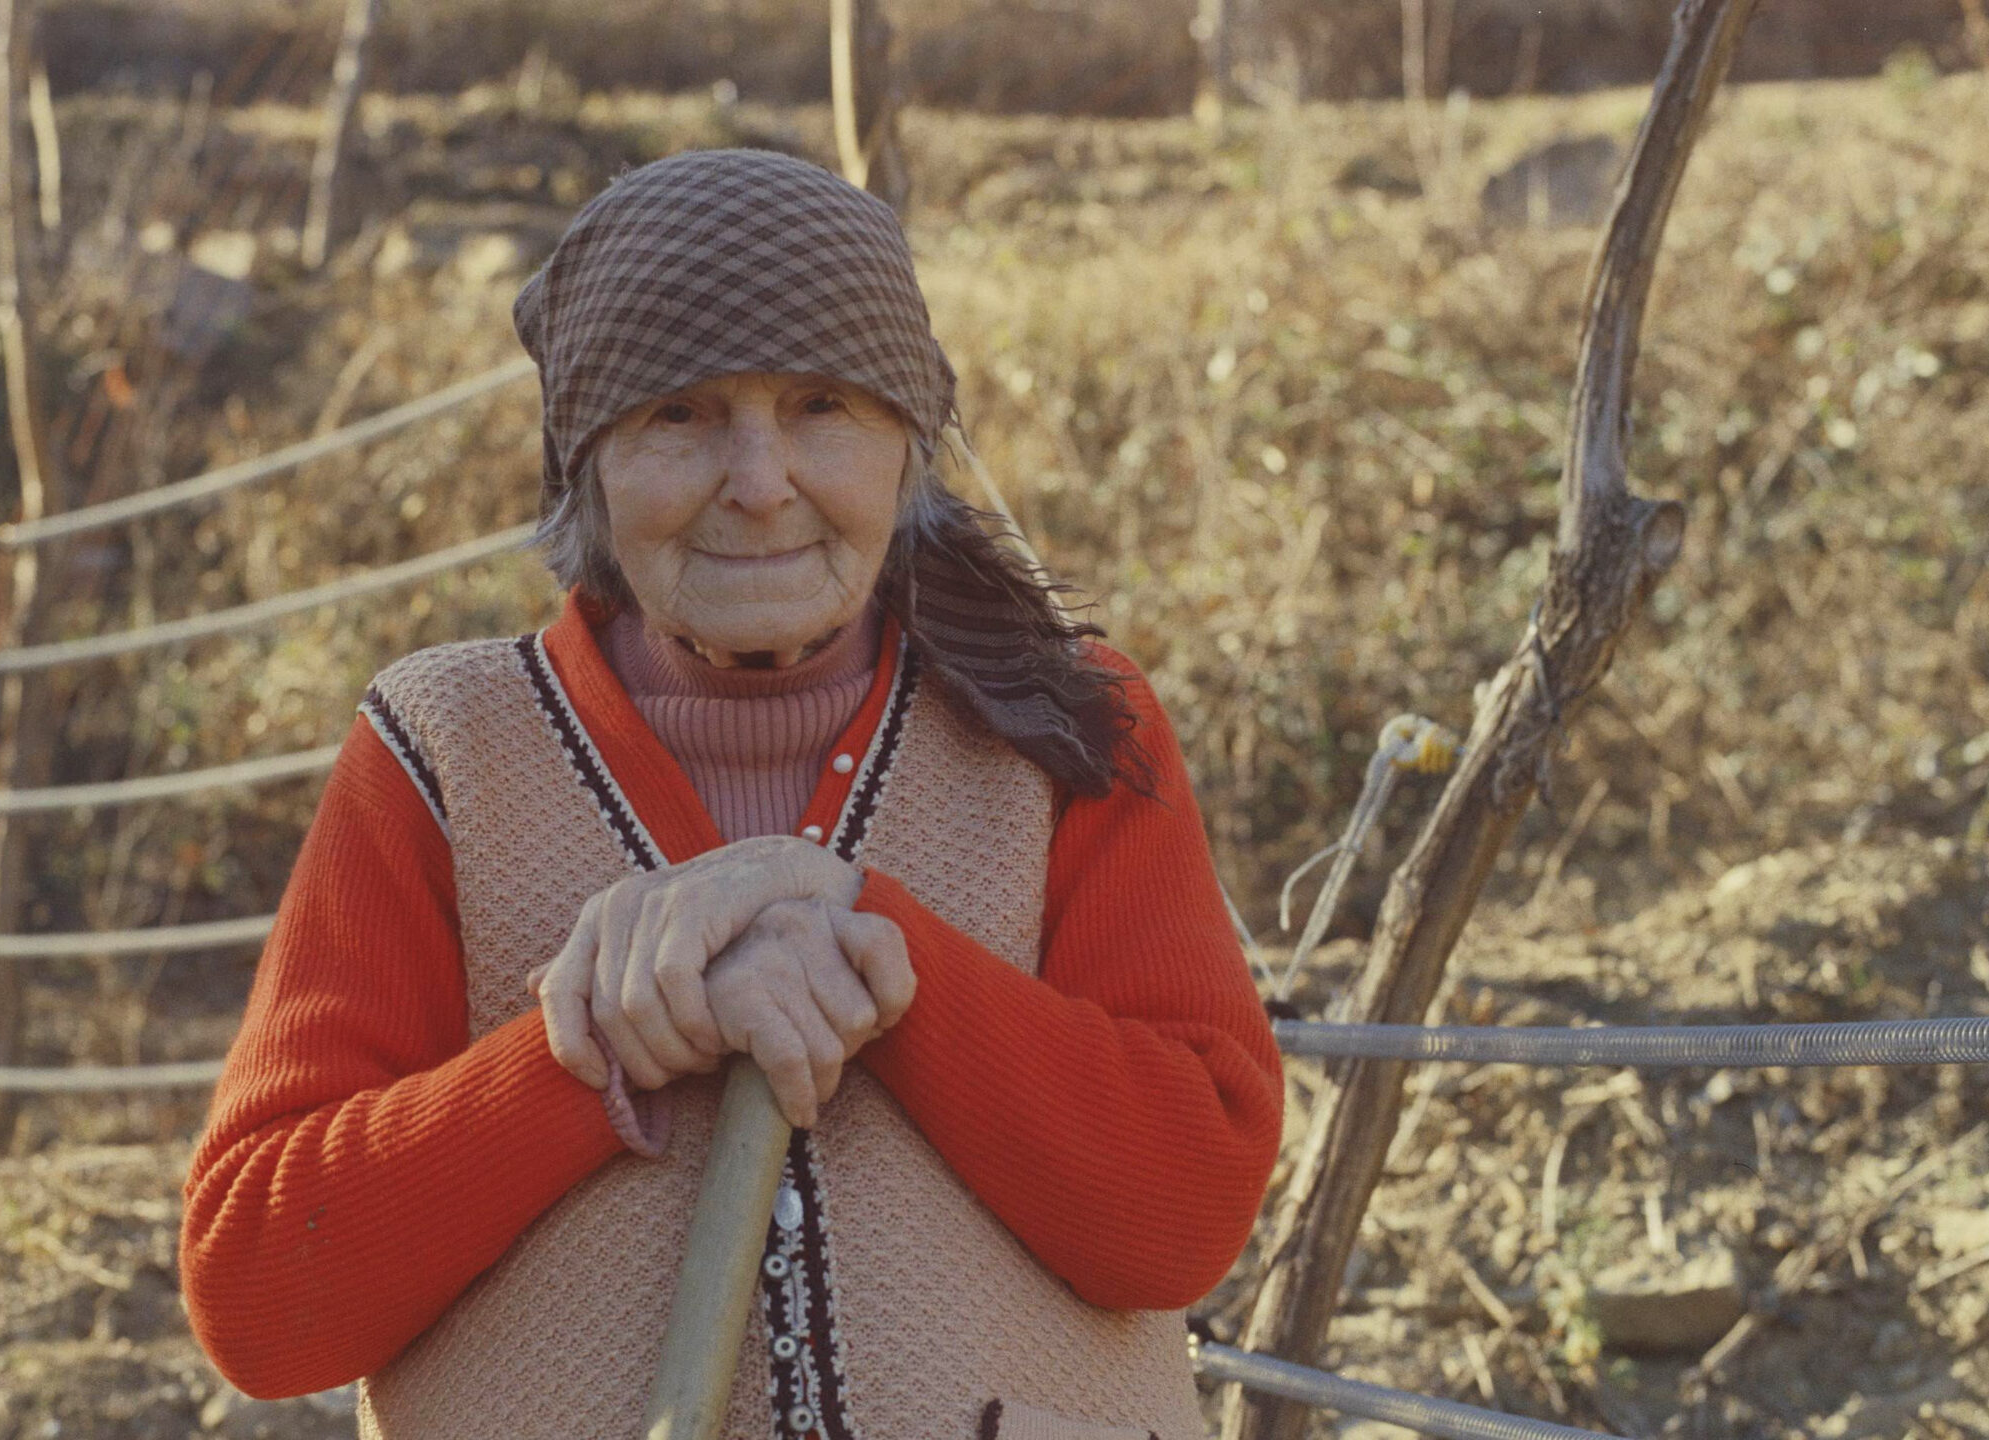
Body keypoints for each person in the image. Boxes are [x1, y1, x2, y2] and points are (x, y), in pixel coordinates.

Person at [180, 148, 1284, 1440]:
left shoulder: (1064, 728)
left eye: (822, 406)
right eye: (680, 414)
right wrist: (594, 1051)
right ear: (587, 463)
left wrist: (873, 951)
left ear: (907, 447)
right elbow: (261, 1297)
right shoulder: (446, 755)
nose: (759, 484)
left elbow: (1184, 1216)